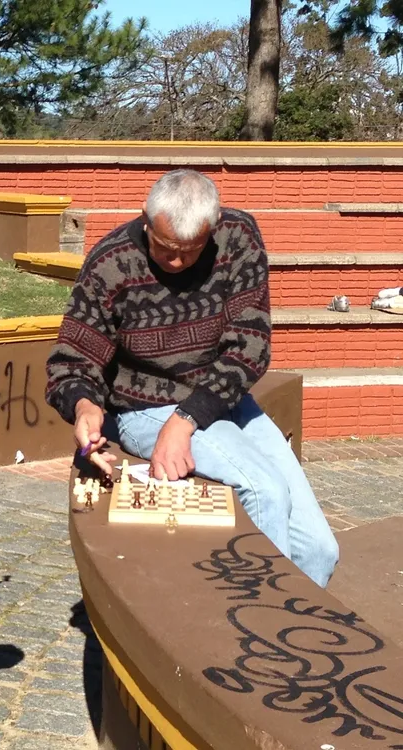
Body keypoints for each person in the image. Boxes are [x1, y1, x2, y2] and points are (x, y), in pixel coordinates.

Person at [45, 169, 339, 588]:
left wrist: (184, 422)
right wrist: (84, 405)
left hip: (222, 396)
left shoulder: (238, 236)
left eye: (191, 250)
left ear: (213, 228)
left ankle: (298, 629)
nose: (178, 261)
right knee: (264, 490)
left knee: (319, 549)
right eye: (165, 248)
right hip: (143, 405)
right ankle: (258, 635)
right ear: (146, 221)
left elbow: (250, 347)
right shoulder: (111, 261)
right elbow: (73, 358)